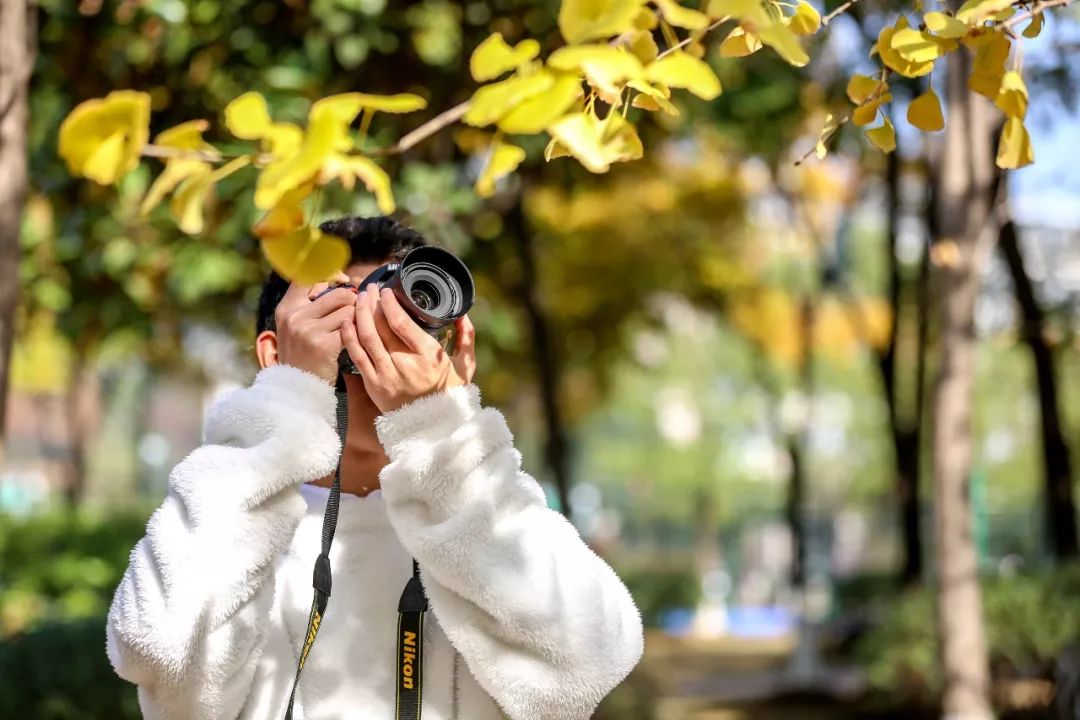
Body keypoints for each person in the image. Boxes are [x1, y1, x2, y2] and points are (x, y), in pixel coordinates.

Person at [105, 216, 644, 720]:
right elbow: (159, 648)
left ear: (457, 351)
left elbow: (591, 659)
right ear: (278, 353)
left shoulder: (487, 505)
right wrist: (289, 401)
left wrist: (443, 429)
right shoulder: (242, 519)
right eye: (344, 320)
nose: (375, 346)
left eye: (405, 324)